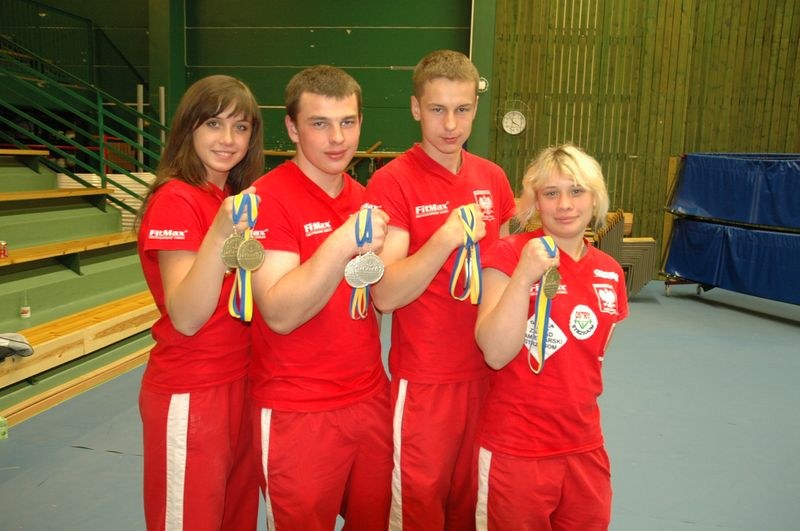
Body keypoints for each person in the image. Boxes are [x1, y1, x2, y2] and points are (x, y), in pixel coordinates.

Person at [365, 49, 517, 530]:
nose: (451, 124)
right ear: (415, 108)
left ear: (476, 107)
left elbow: (507, 267)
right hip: (428, 379)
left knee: (474, 502)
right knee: (419, 503)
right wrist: (445, 238)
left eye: (463, 109)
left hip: (491, 372)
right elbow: (385, 294)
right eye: (437, 109)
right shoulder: (393, 182)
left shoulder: (491, 178)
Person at [249, 65, 393, 530]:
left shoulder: (364, 197)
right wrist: (341, 239)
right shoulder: (267, 199)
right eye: (320, 123)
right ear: (292, 127)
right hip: (299, 411)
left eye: (348, 122)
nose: (337, 138)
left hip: (369, 400)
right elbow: (279, 312)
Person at [473, 143, 629, 530]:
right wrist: (525, 275)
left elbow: (591, 358)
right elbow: (493, 352)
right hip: (518, 447)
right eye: (551, 193)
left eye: (577, 191)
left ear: (595, 200)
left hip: (584, 445)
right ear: (537, 203)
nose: (565, 204)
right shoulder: (508, 254)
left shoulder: (610, 272)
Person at [136, 74, 264, 531]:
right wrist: (219, 233)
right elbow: (187, 317)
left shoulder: (229, 198)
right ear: (189, 128)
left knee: (235, 519)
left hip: (243, 383)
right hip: (193, 390)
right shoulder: (176, 200)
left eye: (241, 127)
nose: (228, 140)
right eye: (214, 124)